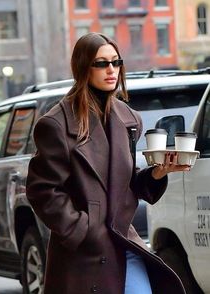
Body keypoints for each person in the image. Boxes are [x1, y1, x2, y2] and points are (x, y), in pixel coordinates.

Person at [26, 32, 189, 294]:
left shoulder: (128, 118)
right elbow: (42, 190)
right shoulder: (56, 124)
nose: (111, 70)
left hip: (124, 242)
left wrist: (158, 173)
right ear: (83, 68)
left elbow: (125, 182)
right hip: (84, 254)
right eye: (101, 63)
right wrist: (82, 229)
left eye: (116, 62)